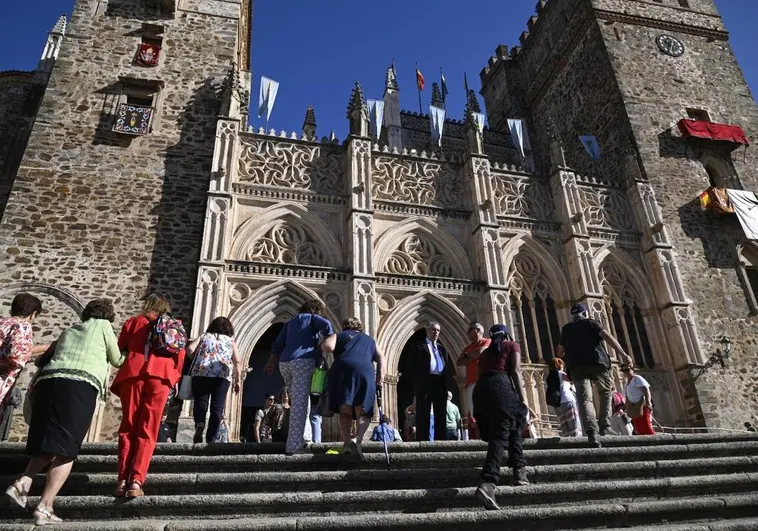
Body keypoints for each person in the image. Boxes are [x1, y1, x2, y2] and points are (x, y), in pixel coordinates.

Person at [5, 298, 124, 525]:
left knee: (50, 440)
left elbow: (44, 358)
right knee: (67, 448)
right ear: (108, 316)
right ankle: (45, 507)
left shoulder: (69, 329)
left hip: (48, 382)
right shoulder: (103, 326)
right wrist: (132, 352)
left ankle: (23, 482)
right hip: (78, 385)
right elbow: (117, 359)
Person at [111, 294, 186, 498]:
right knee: (148, 430)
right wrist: (174, 377)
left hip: (133, 376)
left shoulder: (133, 322)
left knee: (128, 427)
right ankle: (136, 481)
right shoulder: (173, 325)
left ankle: (121, 480)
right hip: (160, 377)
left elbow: (120, 348)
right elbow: (180, 355)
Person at [555, 303, 632, 448]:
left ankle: (591, 433)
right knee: (606, 392)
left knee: (584, 399)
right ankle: (604, 424)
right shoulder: (592, 323)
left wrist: (571, 355)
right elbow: (608, 338)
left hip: (577, 367)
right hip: (598, 363)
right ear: (585, 313)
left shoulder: (566, 329)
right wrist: (623, 354)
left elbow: (559, 353)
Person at [264, 299, 336, 455]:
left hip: (284, 363)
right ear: (316, 310)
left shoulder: (290, 323)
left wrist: (271, 361)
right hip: (302, 361)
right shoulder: (312, 318)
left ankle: (305, 438)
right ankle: (294, 446)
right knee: (300, 405)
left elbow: (278, 343)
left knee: (300, 401)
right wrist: (328, 339)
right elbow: (327, 325)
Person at [471, 324, 529, 511]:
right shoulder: (512, 345)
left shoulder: (485, 354)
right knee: (500, 433)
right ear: (507, 335)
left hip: (481, 390)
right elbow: (516, 372)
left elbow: (480, 375)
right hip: (500, 386)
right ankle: (488, 482)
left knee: (514, 422)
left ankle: (519, 470)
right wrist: (523, 398)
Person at [328, 317, 385, 457]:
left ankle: (347, 444)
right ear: (359, 327)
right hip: (364, 372)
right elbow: (381, 357)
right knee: (363, 411)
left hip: (343, 371)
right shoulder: (369, 340)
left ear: (345, 326)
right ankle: (357, 440)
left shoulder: (340, 335)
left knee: (345, 410)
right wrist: (380, 378)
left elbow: (328, 346)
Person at [186, 317, 242, 444]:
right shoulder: (230, 341)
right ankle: (211, 439)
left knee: (201, 402)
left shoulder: (205, 336)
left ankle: (200, 423)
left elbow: (189, 349)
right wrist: (237, 380)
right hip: (222, 375)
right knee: (217, 407)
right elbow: (237, 361)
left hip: (201, 372)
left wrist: (198, 360)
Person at [0, 294, 45, 429]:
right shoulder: (22, 325)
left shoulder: (2, 322)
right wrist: (46, 348)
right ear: (33, 314)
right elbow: (17, 354)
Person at [409, 321, 452, 441]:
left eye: (438, 330)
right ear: (427, 331)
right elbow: (410, 365)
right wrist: (419, 378)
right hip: (424, 382)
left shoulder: (442, 349)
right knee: (423, 411)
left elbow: (446, 364)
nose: (436, 332)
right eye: (433, 329)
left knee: (441, 412)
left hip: (439, 382)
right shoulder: (418, 346)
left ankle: (441, 440)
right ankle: (423, 439)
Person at [456, 322, 490, 438]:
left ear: (477, 330)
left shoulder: (487, 341)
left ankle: (488, 436)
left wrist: (468, 356)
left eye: (469, 331)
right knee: (473, 413)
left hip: (484, 380)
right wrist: (472, 355)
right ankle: (480, 439)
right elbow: (459, 362)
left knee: (486, 409)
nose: (467, 334)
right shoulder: (468, 347)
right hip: (470, 382)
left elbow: (482, 352)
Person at [547, 357, 582, 437]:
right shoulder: (560, 373)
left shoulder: (549, 377)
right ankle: (578, 443)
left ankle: (567, 444)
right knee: (574, 424)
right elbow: (572, 379)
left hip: (557, 404)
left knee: (565, 427)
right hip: (567, 400)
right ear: (559, 365)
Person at [622, 365, 655, 435]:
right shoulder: (626, 384)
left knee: (647, 427)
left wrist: (648, 403)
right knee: (639, 428)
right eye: (624, 371)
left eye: (628, 370)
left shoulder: (637, 378)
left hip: (642, 406)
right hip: (633, 409)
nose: (626, 372)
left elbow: (646, 390)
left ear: (632, 370)